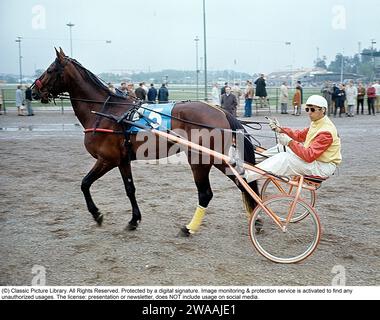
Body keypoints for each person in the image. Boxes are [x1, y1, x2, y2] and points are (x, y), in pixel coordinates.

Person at [244, 95, 341, 182]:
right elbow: (299, 135)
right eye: (307, 109)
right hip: (316, 162)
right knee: (282, 148)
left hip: (322, 167)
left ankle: (246, 175)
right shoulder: (318, 123)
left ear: (323, 110)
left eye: (312, 110)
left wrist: (290, 142)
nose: (309, 113)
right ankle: (250, 161)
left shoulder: (326, 132)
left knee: (285, 158)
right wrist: (280, 129)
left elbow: (309, 155)